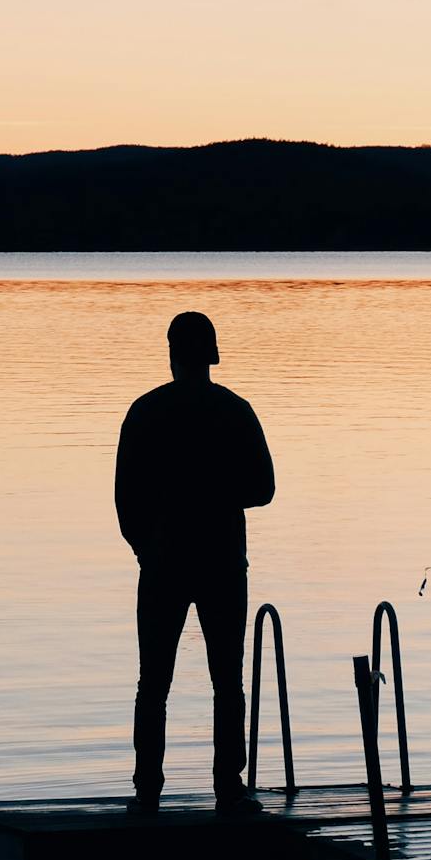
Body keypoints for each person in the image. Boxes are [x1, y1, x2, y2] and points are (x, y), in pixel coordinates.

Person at [114, 310, 275, 813]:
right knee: (227, 677)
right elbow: (264, 489)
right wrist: (220, 495)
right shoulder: (236, 410)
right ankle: (228, 784)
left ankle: (147, 788)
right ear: (212, 355)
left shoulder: (144, 411)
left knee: (153, 681)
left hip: (162, 562)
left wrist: (146, 546)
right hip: (223, 561)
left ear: (171, 354)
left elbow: (125, 498)